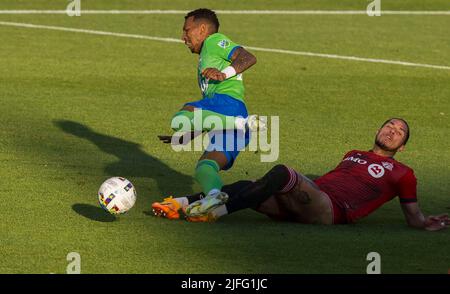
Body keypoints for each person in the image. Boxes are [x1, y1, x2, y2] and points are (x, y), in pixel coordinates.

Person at [179, 118, 448, 231]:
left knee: (283, 173)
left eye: (399, 132)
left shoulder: (403, 173)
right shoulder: (353, 153)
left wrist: (427, 222)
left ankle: (215, 212)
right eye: (389, 125)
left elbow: (413, 217)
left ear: (402, 146)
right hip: (307, 200)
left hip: (330, 209)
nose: (391, 130)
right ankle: (181, 203)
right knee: (249, 185)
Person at [153, 8, 258, 218]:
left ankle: (239, 122)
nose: (184, 37)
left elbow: (248, 57)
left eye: (187, 30)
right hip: (229, 117)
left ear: (202, 29)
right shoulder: (206, 56)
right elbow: (209, 119)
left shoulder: (213, 41)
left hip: (228, 105)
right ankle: (213, 196)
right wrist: (188, 136)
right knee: (205, 168)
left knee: (181, 118)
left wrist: (223, 74)